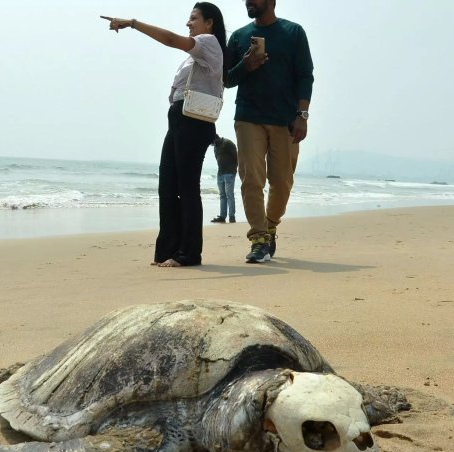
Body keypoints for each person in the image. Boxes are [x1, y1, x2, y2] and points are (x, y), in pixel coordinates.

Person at [101, 3, 225, 268]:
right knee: (168, 185)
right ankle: (168, 249)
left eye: (193, 18)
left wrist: (132, 23)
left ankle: (189, 253)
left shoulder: (208, 42)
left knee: (187, 187)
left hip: (193, 121)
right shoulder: (197, 52)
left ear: (209, 22)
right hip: (180, 117)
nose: (188, 23)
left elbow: (170, 39)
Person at [224, 0, 313, 263]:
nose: (248, 2)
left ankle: (270, 224)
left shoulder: (293, 32)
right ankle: (259, 239)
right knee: (251, 179)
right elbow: (226, 79)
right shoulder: (239, 37)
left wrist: (302, 115)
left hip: (285, 119)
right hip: (248, 117)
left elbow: (305, 76)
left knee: (282, 182)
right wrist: (246, 65)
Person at [210, 134, 238, 223]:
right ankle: (222, 216)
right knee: (222, 195)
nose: (212, 145)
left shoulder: (228, 143)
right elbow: (217, 159)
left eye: (212, 143)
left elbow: (236, 157)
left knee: (229, 194)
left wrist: (234, 169)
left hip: (230, 172)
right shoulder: (215, 147)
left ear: (216, 139)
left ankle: (232, 217)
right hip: (220, 173)